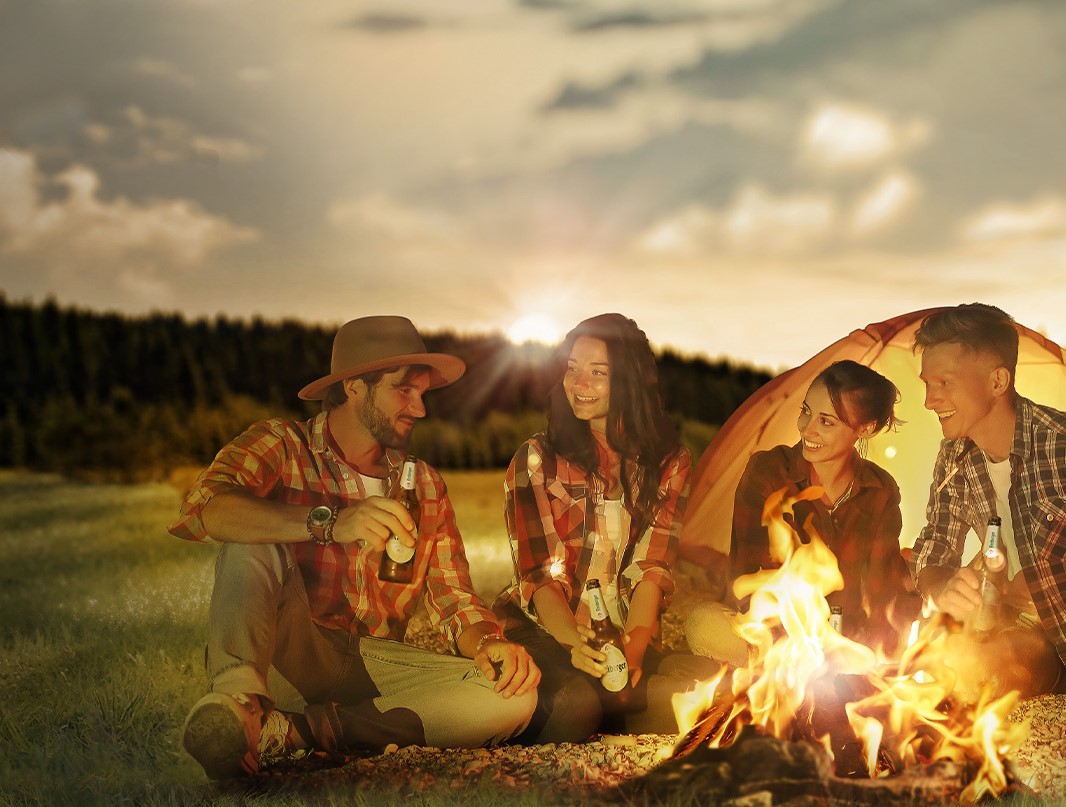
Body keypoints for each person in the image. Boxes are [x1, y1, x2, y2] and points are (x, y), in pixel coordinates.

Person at [170, 316, 539, 780]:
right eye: (403, 390)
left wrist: (488, 642)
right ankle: (237, 703)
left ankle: (287, 734)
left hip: (375, 663)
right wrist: (327, 523)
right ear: (353, 387)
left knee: (514, 697)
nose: (419, 409)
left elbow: (454, 600)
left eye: (423, 394)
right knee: (250, 543)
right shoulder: (281, 445)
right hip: (289, 653)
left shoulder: (423, 483)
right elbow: (205, 509)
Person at [493, 313, 717, 744]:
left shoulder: (670, 463)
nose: (579, 384)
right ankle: (593, 707)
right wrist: (578, 648)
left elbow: (652, 566)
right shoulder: (537, 458)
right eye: (572, 369)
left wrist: (631, 652)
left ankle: (614, 704)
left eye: (598, 374)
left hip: (620, 632)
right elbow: (539, 577)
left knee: (710, 682)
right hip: (549, 633)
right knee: (578, 704)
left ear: (630, 381)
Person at [686, 360, 920, 665]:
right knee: (703, 625)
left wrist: (884, 647)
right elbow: (750, 578)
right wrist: (797, 645)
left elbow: (882, 591)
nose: (806, 429)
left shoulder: (880, 491)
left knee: (917, 637)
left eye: (826, 421)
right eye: (806, 411)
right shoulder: (768, 472)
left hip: (843, 644)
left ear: (865, 429)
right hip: (770, 640)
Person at [909, 302, 1066, 700]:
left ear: (998, 382)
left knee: (976, 671)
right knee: (924, 661)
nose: (930, 400)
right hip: (1007, 632)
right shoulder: (953, 456)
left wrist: (1032, 585)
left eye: (944, 383)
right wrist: (944, 588)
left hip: (1055, 638)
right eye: (927, 384)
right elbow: (933, 547)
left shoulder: (1060, 445)